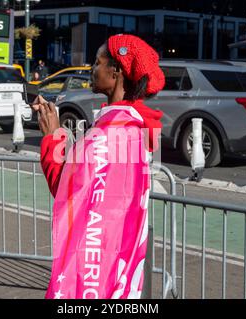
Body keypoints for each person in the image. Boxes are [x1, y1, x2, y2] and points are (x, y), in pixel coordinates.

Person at [31, 34, 165, 299]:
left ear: (116, 71)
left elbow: (66, 192)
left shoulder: (109, 133)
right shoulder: (132, 126)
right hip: (115, 264)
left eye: (97, 62)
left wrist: (52, 136)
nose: (92, 70)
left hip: (94, 273)